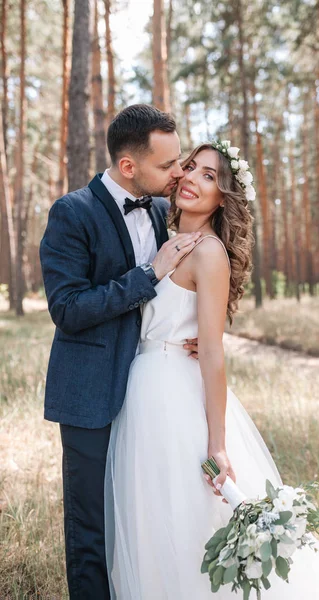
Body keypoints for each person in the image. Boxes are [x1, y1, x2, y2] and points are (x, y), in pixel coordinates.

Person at [104, 141, 319, 599]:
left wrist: (218, 443)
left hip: (175, 398)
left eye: (210, 177)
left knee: (190, 515)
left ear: (223, 198)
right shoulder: (164, 243)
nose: (194, 180)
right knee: (156, 515)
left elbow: (214, 354)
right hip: (143, 391)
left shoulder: (209, 253)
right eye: (193, 168)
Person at [40, 104, 201, 599]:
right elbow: (67, 308)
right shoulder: (73, 213)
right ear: (129, 167)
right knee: (91, 521)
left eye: (180, 162)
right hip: (90, 390)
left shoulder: (158, 210)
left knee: (140, 514)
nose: (179, 173)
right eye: (168, 165)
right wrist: (148, 275)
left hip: (152, 388)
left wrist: (183, 330)